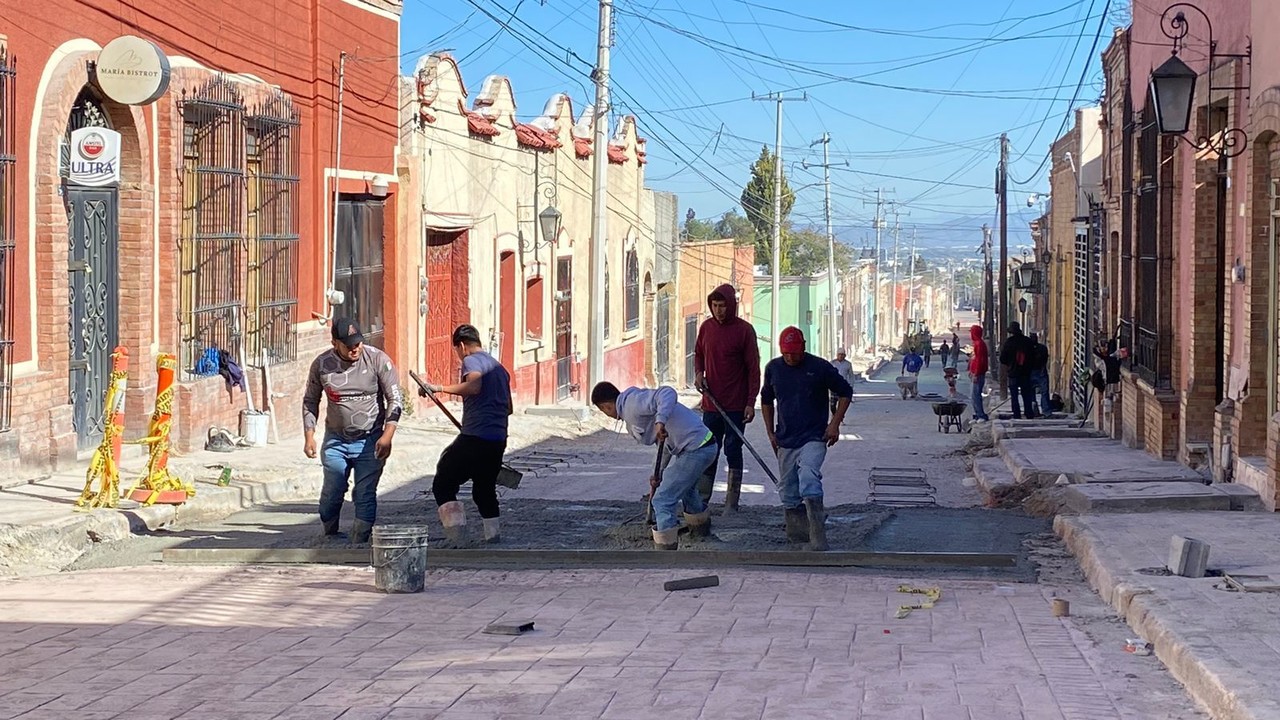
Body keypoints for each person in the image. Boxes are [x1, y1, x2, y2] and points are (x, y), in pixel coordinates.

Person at [302, 317, 403, 543]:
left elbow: (394, 400)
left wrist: (387, 436)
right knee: (333, 489)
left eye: (357, 343)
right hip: (336, 440)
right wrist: (309, 436)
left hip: (371, 439)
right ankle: (329, 531)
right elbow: (310, 400)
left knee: (365, 493)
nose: (354, 349)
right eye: (348, 345)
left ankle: (360, 539)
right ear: (334, 343)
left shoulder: (377, 360)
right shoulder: (322, 365)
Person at [591, 382, 719, 550]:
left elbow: (667, 393)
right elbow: (663, 445)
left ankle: (666, 547)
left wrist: (660, 421)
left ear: (606, 407)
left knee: (662, 499)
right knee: (686, 490)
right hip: (702, 446)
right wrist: (656, 474)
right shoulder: (632, 412)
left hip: (698, 448)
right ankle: (701, 532)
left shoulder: (632, 405)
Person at [761, 327, 853, 552]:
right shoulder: (773, 368)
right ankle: (798, 537)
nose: (791, 357)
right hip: (786, 438)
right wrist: (770, 432)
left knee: (809, 475)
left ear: (803, 347)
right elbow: (766, 400)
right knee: (788, 490)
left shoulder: (819, 367)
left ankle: (818, 537)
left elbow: (845, 392)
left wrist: (834, 424)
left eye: (795, 352)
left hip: (814, 435)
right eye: (786, 353)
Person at [420, 324, 513, 545]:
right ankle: (493, 536)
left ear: (461, 345)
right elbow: (508, 407)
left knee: (443, 482)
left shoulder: (471, 361)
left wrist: (439, 388)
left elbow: (473, 387)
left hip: (475, 436)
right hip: (498, 438)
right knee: (484, 489)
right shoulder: (500, 368)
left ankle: (456, 536)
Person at [693, 284, 761, 511]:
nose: (719, 310)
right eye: (715, 306)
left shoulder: (744, 331)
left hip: (736, 406)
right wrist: (699, 373)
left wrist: (751, 402)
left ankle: (732, 502)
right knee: (709, 449)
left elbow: (753, 369)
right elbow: (699, 354)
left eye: (722, 306)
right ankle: (702, 498)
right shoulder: (706, 328)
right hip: (711, 404)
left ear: (731, 305)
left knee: (733, 449)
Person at [1000, 322, 1038, 420]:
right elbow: (1033, 357)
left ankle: (1016, 414)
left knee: (1014, 395)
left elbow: (1002, 358)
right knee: (1027, 394)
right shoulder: (1027, 341)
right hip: (1026, 373)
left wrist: (1010, 363)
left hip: (1013, 373)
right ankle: (1029, 413)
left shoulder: (1009, 342)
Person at [968, 324, 990, 423]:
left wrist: (976, 373)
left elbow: (980, 361)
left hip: (978, 374)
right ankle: (977, 415)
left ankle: (981, 415)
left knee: (976, 395)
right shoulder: (976, 344)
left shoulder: (979, 344)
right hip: (975, 373)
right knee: (973, 395)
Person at [830, 348, 856, 419]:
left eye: (842, 355)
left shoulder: (848, 364)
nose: (841, 356)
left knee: (841, 405)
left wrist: (851, 386)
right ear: (837, 355)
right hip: (833, 386)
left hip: (843, 387)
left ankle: (838, 418)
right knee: (832, 405)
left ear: (845, 355)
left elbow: (851, 376)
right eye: (839, 354)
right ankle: (835, 415)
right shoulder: (832, 363)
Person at [1029, 332, 1051, 416]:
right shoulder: (1029, 349)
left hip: (1039, 372)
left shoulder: (1042, 348)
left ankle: (1044, 410)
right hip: (1034, 372)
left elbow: (1045, 360)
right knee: (1036, 393)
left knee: (1043, 392)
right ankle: (1038, 410)